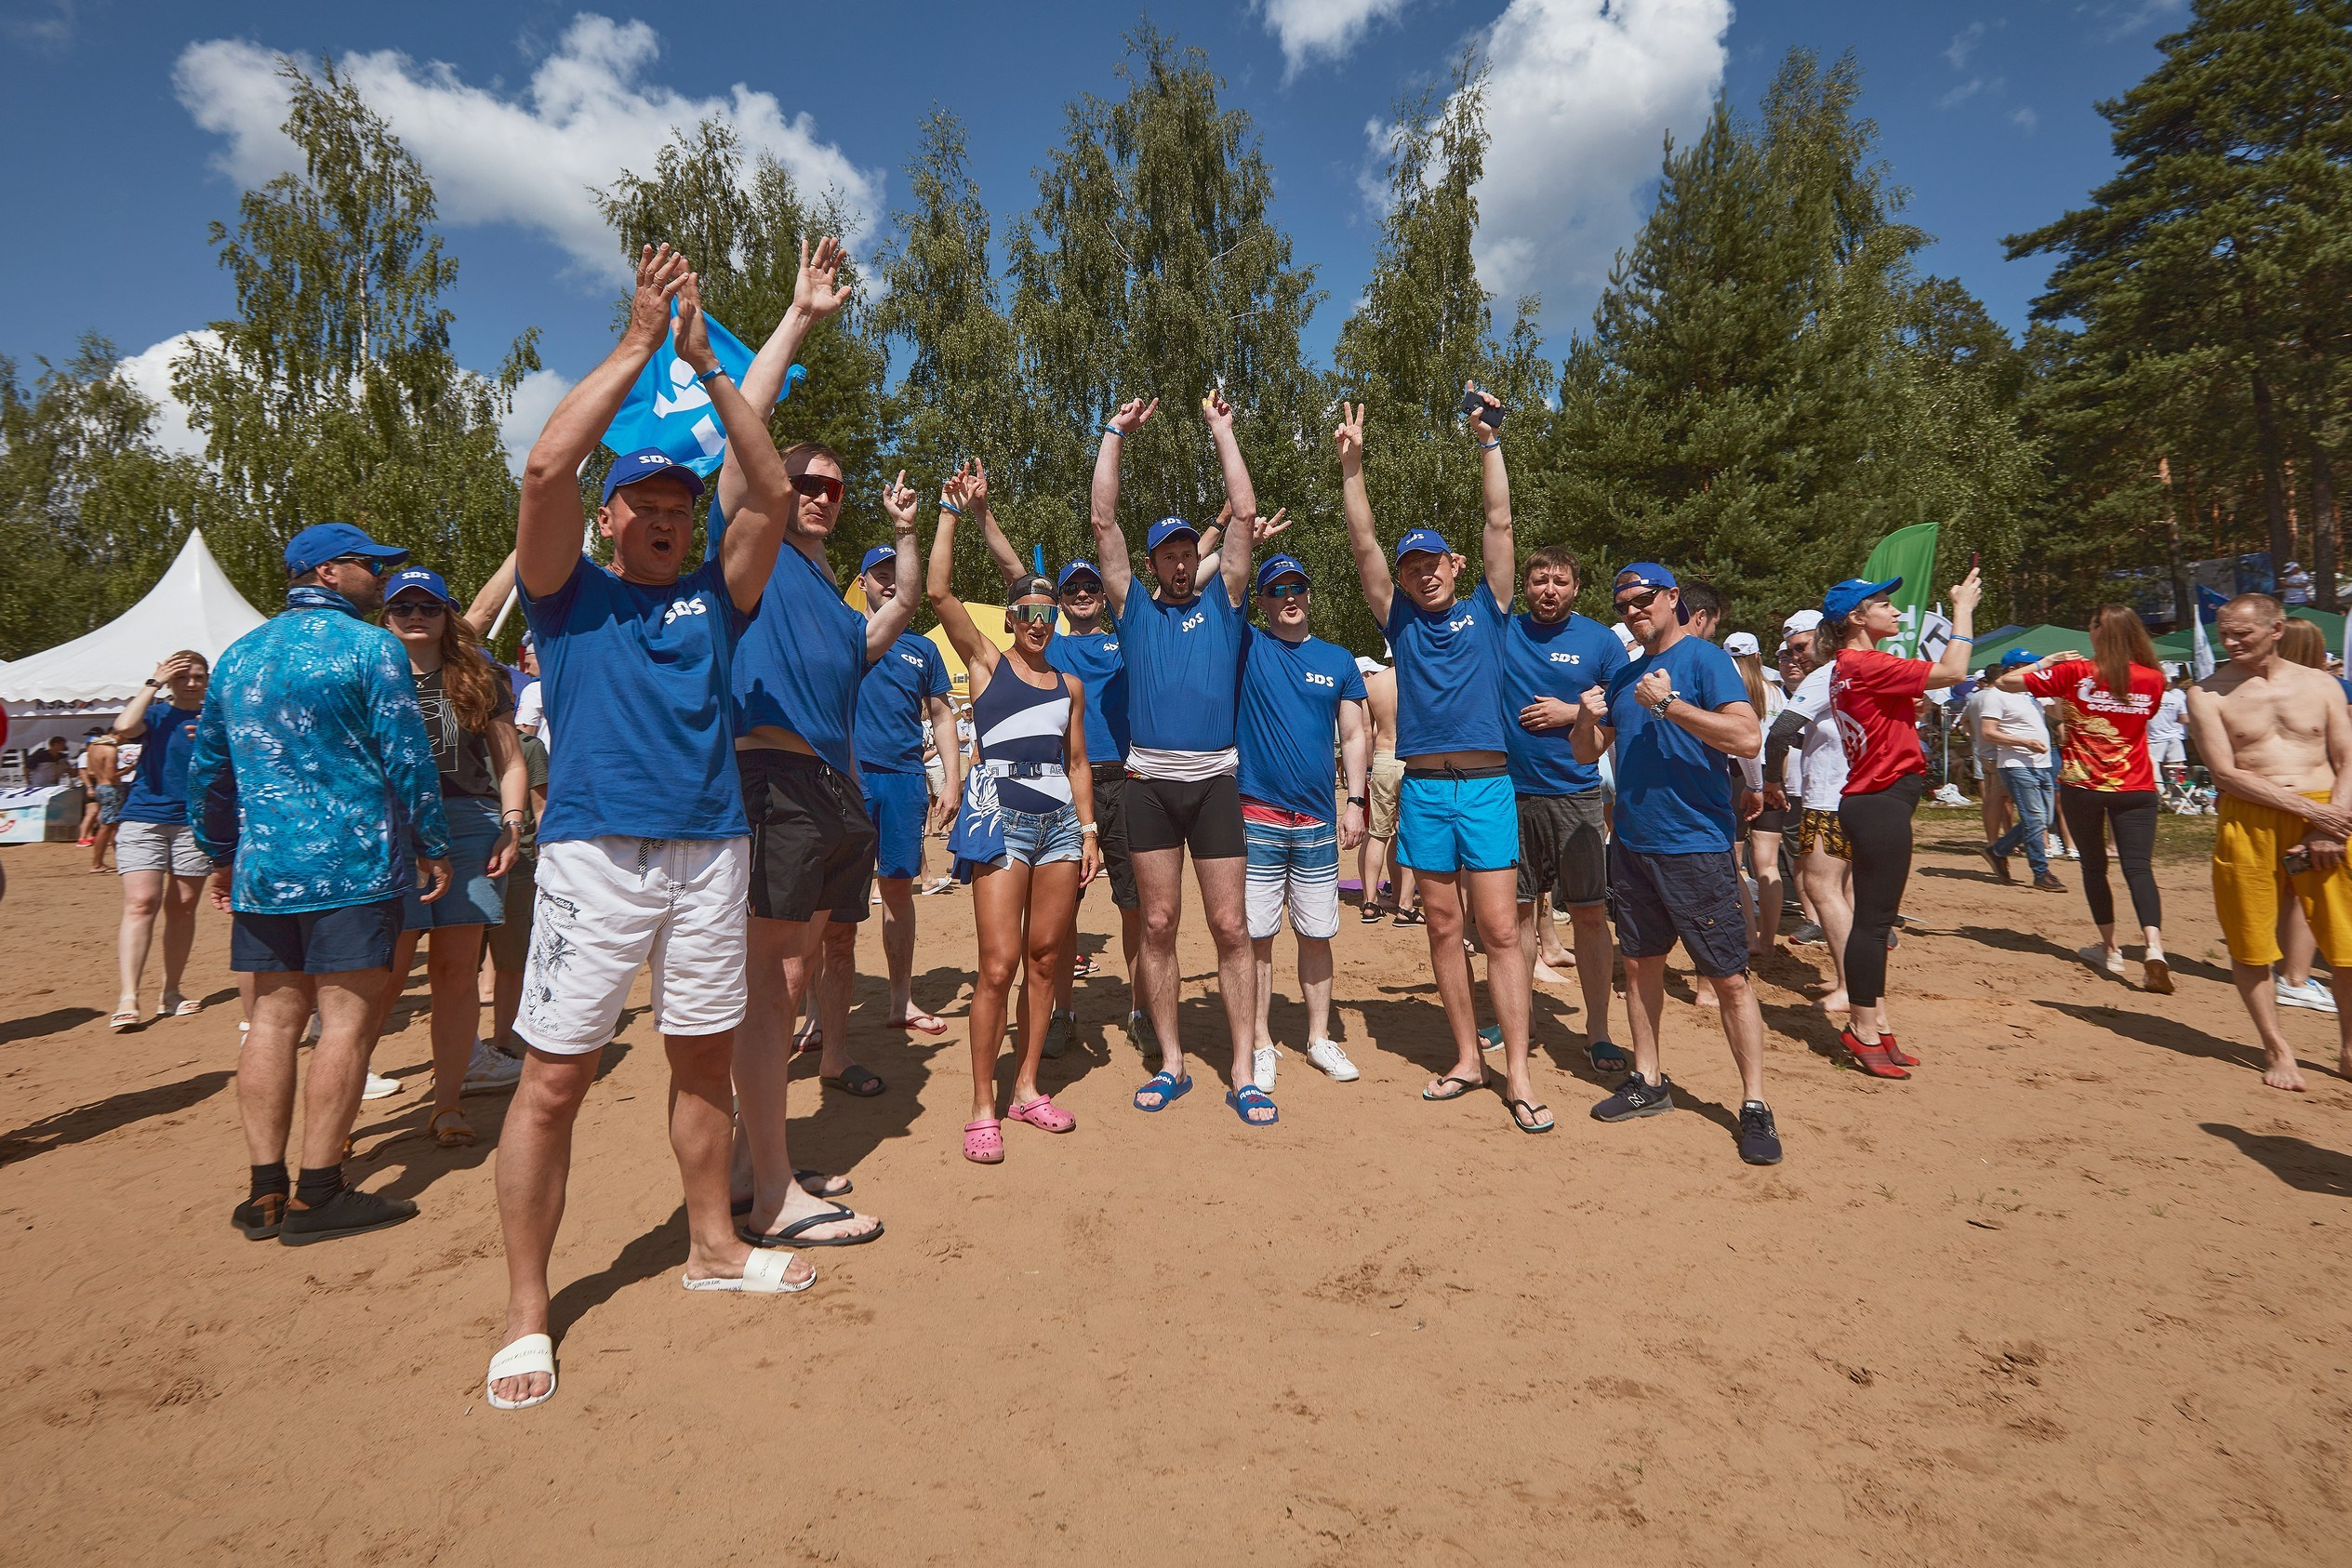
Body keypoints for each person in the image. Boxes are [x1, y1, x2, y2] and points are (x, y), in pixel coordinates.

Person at [488, 248, 817, 1414]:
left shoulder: (713, 597)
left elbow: (770, 499)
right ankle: (528, 1316)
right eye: (650, 506)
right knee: (555, 1081)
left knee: (699, 1064)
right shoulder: (565, 593)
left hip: (708, 852)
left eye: (682, 508)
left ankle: (713, 1251)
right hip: (591, 853)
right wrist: (635, 347)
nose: (669, 522)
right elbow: (540, 468)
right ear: (611, 513)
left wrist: (712, 377)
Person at [186, 522, 453, 1249]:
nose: (383, 579)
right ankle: (320, 1191)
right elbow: (408, 755)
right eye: (372, 566)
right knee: (346, 1025)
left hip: (267, 869)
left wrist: (219, 851)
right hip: (352, 864)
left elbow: (207, 771)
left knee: (272, 1023)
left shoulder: (239, 656)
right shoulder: (373, 650)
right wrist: (432, 842)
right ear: (331, 572)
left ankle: (264, 1191)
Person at [1335, 391, 1545, 1133]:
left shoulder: (1489, 602)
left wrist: (1489, 442)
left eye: (1432, 563)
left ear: (1454, 565)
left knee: (1497, 931)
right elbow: (1362, 546)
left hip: (1487, 786)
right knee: (1438, 926)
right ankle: (1466, 1057)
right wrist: (1351, 471)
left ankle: (1516, 1069)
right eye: (1412, 565)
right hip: (1423, 789)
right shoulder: (1398, 619)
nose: (1423, 574)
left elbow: (1499, 522)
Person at [1090, 392, 1271, 1125]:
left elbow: (1245, 514)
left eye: (1180, 551)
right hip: (1148, 784)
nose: (1173, 561)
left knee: (1230, 930)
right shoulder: (1130, 607)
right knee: (1158, 925)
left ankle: (1241, 1068)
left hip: (1214, 784)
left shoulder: (1223, 601)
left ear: (1193, 557)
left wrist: (1223, 431)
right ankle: (1170, 1063)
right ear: (1151, 561)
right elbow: (1102, 519)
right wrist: (1112, 435)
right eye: (1162, 552)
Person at [1569, 564, 1779, 1163]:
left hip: (1696, 847)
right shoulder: (1627, 673)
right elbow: (1587, 753)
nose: (1633, 608)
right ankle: (1650, 1081)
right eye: (1623, 601)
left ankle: (1755, 1104)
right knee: (1639, 968)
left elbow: (1746, 739)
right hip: (1634, 847)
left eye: (1643, 598)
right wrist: (1585, 717)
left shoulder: (1707, 661)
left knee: (1729, 979)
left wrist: (1670, 706)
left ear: (1671, 599)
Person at [927, 483, 1099, 1161]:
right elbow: (938, 592)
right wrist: (949, 513)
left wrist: (1088, 833)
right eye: (1026, 610)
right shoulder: (986, 662)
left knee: (1048, 962)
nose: (1038, 621)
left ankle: (1026, 1088)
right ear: (1009, 618)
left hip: (1059, 820)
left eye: (1046, 612)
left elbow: (1079, 762)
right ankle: (981, 1104)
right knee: (996, 966)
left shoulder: (1069, 686)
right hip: (999, 816)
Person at [969, 468, 1139, 1057]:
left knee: (1136, 903)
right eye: (1073, 590)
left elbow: (1177, 583)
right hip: (1066, 787)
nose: (1084, 594)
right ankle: (1063, 1009)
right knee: (1060, 917)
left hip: (1126, 780)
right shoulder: (1050, 646)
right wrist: (984, 515)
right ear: (1058, 602)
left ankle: (1140, 1007)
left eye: (1090, 586)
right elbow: (1018, 577)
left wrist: (1223, 524)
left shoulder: (1127, 635)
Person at [367, 566, 530, 1149]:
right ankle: (338, 1112)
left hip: (470, 825)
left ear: (446, 614)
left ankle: (447, 1103)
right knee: (383, 978)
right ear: (385, 616)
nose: (416, 616)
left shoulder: (479, 674)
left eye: (428, 607)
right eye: (403, 607)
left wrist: (512, 825)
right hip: (393, 829)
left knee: (456, 974)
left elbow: (511, 762)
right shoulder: (366, 670)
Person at [2185, 592, 2352, 1091]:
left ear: (2276, 629)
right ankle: (2276, 1047)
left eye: (2243, 633)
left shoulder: (2321, 684)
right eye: (2225, 634)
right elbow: (2224, 773)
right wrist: (2309, 812)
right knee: (2251, 939)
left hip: (2328, 818)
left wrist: (2328, 823)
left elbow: (2346, 759)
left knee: (2344, 941)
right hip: (2252, 821)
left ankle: (2348, 1047)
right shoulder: (2208, 694)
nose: (2231, 643)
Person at [1819, 567, 1982, 1078]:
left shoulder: (1854, 663)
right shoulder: (1863, 662)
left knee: (1873, 922)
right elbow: (1955, 671)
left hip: (1877, 800)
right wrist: (1963, 609)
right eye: (1883, 603)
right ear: (1856, 618)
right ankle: (1864, 1030)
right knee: (1873, 925)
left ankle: (1879, 1024)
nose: (1895, 609)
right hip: (1879, 801)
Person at [814, 539, 963, 1051]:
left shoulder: (923, 648)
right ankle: (816, 1012)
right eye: (879, 574)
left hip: (904, 780)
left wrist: (955, 778)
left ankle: (900, 999)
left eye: (896, 572)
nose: (890, 581)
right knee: (828, 901)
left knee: (899, 890)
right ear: (863, 583)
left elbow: (942, 715)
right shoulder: (841, 636)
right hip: (845, 781)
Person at [1233, 551, 1371, 1089]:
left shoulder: (1338, 660)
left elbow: (1355, 734)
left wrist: (1355, 801)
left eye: (1297, 586)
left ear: (1309, 595)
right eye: (1276, 590)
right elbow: (1229, 586)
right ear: (1263, 602)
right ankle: (1263, 1042)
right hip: (1255, 814)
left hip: (1316, 819)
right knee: (1259, 936)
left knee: (1316, 933)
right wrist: (1244, 538)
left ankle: (1318, 1039)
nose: (1288, 596)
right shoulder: (1246, 645)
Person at [1999, 606, 2173, 992]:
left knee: (2094, 868)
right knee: (2139, 869)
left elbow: (2007, 682)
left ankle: (2110, 949)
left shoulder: (2075, 672)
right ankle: (2154, 947)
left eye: (2089, 626)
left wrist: (2046, 662)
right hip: (2136, 784)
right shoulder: (2154, 679)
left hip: (2084, 784)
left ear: (2097, 632)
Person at [1500, 543, 1627, 1070]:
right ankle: (1521, 1020)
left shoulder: (1600, 642)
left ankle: (1597, 1032)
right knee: (1519, 916)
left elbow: (1622, 711)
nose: (1548, 590)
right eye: (1538, 581)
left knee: (1589, 915)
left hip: (1576, 795)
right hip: (1509, 793)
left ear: (1576, 588)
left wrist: (1569, 711)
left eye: (1559, 582)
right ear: (1525, 585)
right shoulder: (1502, 628)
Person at [109, 651, 214, 1030]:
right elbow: (123, 726)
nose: (190, 682)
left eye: (198, 676)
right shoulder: (154, 714)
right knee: (141, 903)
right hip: (144, 818)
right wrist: (151, 683)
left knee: (183, 907)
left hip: (194, 822)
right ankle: (129, 995)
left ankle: (171, 991)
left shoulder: (215, 717)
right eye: (182, 676)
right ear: (169, 680)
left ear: (207, 679)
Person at [1763, 629, 1854, 1014]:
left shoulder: (1825, 675)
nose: (1795, 657)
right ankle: (1857, 982)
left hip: (1827, 802)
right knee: (1846, 888)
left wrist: (1770, 780)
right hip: (1859, 796)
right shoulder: (1856, 673)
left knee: (1822, 888)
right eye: (1789, 650)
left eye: (1801, 648)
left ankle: (1853, 986)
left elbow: (1779, 731)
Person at [1976, 648, 2065, 892]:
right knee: (2035, 819)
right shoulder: (1996, 694)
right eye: (2029, 665)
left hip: (2043, 764)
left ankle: (1997, 851)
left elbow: (2056, 715)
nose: (2037, 670)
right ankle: (2041, 872)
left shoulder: (2031, 693)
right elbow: (1988, 732)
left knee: (2043, 820)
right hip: (2017, 764)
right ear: (2012, 670)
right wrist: (2025, 742)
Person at [1726, 631, 1789, 955]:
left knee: (1734, 864)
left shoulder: (1728, 691)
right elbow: (1783, 741)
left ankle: (1748, 937)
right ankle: (1768, 940)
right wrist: (1778, 783)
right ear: (1759, 656)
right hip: (1771, 777)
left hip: (1737, 776)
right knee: (1767, 864)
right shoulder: (1776, 693)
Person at [1358, 658, 1421, 925]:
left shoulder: (1373, 683)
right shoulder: (1420, 679)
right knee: (1412, 835)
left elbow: (1365, 732)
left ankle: (1370, 901)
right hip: (1414, 759)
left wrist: (1369, 770)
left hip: (1383, 758)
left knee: (1377, 833)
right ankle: (1405, 905)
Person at [81, 728, 123, 871]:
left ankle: (106, 861)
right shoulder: (111, 750)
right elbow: (112, 776)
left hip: (99, 786)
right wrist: (131, 768)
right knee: (107, 826)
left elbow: (91, 771)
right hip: (111, 788)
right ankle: (97, 863)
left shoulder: (93, 747)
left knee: (111, 826)